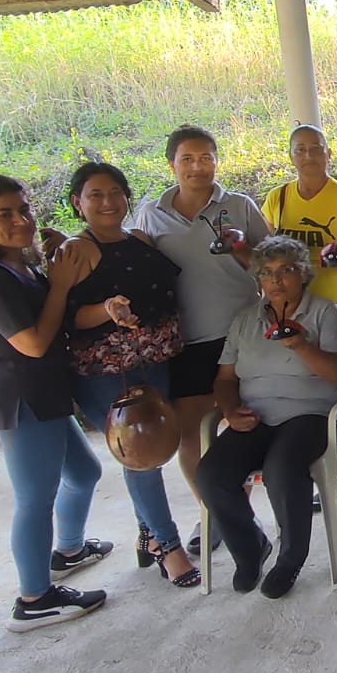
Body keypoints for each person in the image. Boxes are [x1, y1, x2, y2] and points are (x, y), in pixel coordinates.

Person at [0, 174, 110, 632]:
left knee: (84, 473)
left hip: (45, 390)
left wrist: (53, 265)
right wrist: (59, 285)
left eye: (24, 208)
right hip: (21, 393)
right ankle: (33, 598)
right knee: (35, 497)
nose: (21, 220)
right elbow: (32, 343)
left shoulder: (17, 264)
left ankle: (68, 550)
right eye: (4, 214)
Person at [132, 124, 270, 554]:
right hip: (185, 340)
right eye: (188, 159)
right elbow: (133, 266)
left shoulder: (239, 205)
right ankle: (217, 514)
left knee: (242, 422)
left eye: (206, 158)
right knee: (190, 435)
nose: (198, 167)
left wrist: (241, 250)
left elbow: (272, 266)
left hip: (241, 331)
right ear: (171, 164)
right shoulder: (150, 215)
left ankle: (235, 513)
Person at [64, 162, 197, 588]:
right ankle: (168, 547)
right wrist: (107, 310)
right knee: (141, 456)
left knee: (150, 452)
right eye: (95, 195)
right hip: (111, 372)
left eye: (115, 193)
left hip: (155, 362)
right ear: (77, 203)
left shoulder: (137, 239)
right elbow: (66, 316)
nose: (108, 202)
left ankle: (149, 536)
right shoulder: (76, 250)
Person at [194, 237, 337, 597]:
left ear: (303, 274)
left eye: (285, 271)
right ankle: (250, 550)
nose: (275, 280)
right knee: (211, 475)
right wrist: (231, 410)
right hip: (254, 415)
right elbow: (225, 379)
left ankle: (290, 561)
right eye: (266, 272)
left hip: (310, 414)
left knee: (281, 469)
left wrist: (302, 346)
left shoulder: (326, 313)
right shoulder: (245, 320)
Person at [261, 125, 337, 316]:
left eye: (316, 149)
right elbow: (264, 252)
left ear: (329, 154)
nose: (308, 156)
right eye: (300, 150)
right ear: (291, 157)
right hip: (292, 301)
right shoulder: (277, 197)